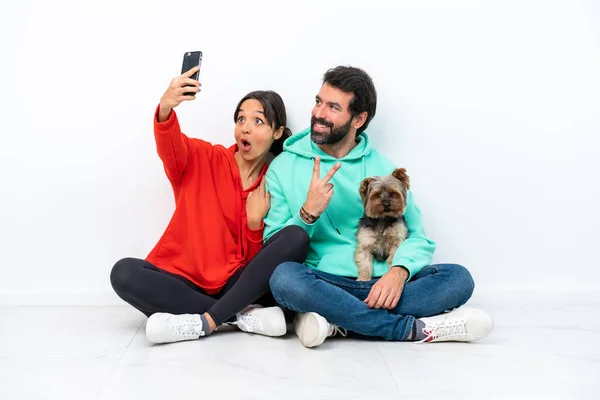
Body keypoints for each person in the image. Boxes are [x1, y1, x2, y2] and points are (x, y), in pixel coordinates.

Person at [265, 65, 494, 348]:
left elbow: (418, 237)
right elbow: (272, 246)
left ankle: (337, 319)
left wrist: (398, 273)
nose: (319, 114)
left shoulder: (383, 170)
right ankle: (408, 328)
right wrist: (307, 214)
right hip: (326, 283)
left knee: (458, 279)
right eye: (318, 102)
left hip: (385, 284)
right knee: (283, 279)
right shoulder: (283, 166)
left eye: (333, 107)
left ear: (358, 119)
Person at [110, 66, 309, 344]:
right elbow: (170, 145)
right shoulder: (204, 157)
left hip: (233, 283)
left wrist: (253, 227)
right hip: (180, 277)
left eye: (258, 121)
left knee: (295, 239)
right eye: (241, 119)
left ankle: (201, 319)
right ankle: (236, 318)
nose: (246, 127)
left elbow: (256, 268)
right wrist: (166, 108)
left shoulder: (273, 183)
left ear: (278, 133)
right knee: (124, 273)